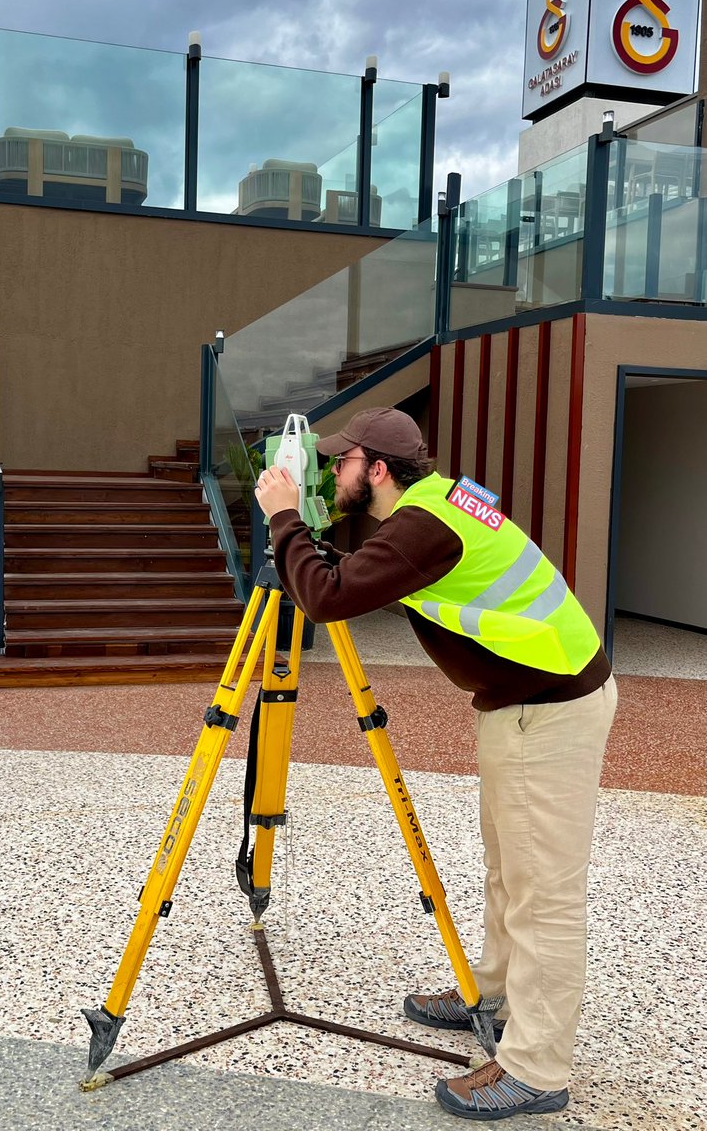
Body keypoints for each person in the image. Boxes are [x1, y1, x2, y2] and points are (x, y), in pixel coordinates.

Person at [254, 407, 616, 1122]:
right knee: (508, 871)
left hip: (548, 707)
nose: (331, 471)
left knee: (542, 893)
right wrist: (308, 534)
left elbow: (326, 598)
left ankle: (536, 1069)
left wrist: (285, 519)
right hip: (529, 697)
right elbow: (355, 576)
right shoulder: (440, 501)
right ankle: (492, 991)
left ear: (375, 470)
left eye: (341, 462)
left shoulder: (423, 527)